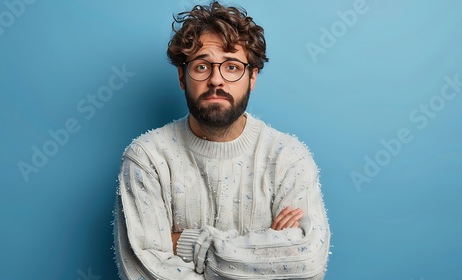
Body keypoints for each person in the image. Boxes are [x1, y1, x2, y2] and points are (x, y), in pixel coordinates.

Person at [114, 2, 330, 279]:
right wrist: (267, 253)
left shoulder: (288, 157)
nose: (216, 80)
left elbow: (308, 264)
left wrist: (192, 244)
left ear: (252, 77)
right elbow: (142, 272)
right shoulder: (147, 159)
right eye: (202, 66)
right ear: (182, 76)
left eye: (231, 66)